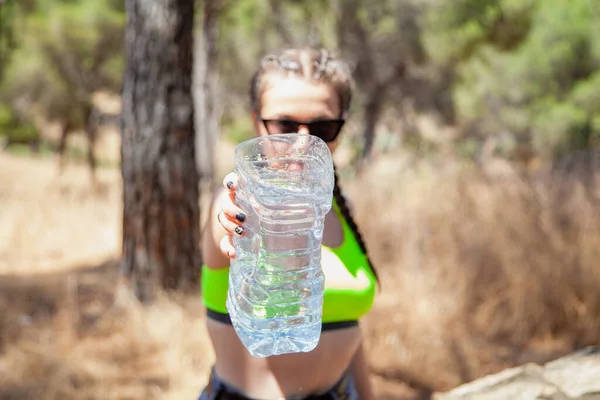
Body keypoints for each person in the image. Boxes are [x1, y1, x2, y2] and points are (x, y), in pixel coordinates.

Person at [199, 47, 379, 400]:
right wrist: (236, 215)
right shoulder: (237, 202)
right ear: (257, 123)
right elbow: (229, 221)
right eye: (283, 124)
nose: (301, 142)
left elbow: (349, 331)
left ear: (341, 127)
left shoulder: (340, 208)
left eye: (322, 127)